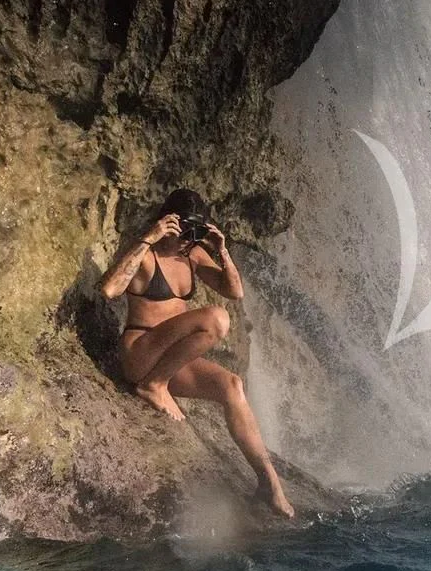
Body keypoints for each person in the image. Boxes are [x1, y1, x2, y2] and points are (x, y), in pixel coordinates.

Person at [99, 189, 295, 518]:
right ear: (168, 222)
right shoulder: (146, 253)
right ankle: (152, 387)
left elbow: (234, 290)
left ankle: (268, 483)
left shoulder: (191, 255)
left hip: (172, 360)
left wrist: (222, 251)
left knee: (231, 385)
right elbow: (109, 289)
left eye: (194, 234)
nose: (186, 241)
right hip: (141, 353)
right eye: (183, 232)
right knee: (217, 319)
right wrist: (149, 238)